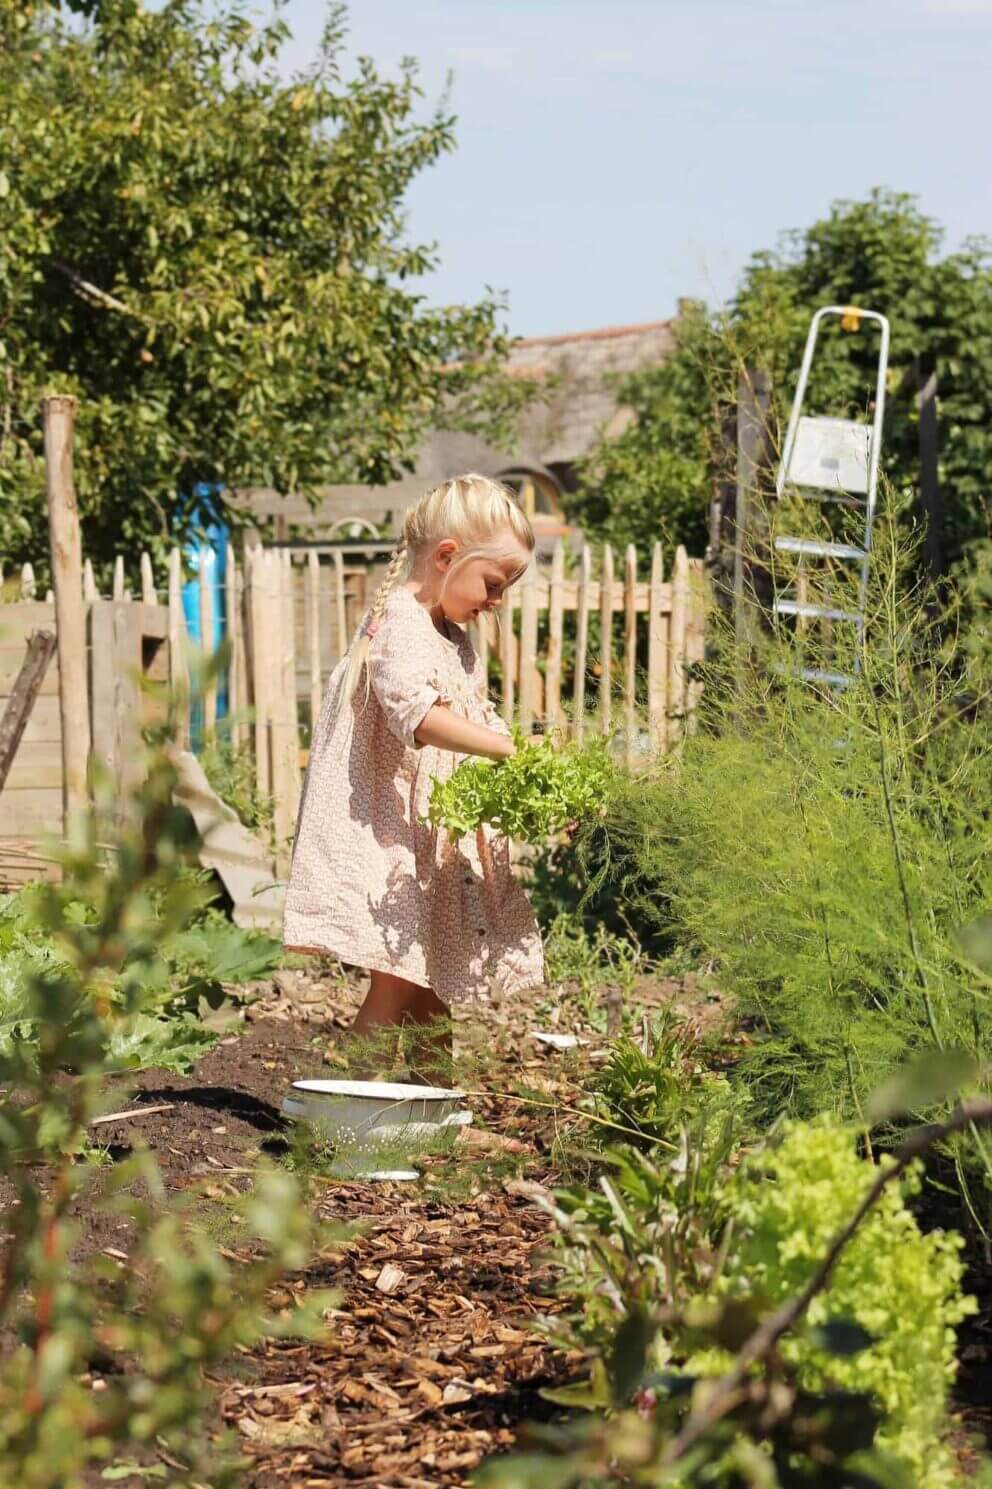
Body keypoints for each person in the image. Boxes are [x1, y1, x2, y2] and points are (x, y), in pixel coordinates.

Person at [283, 473, 545, 1104]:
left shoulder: (453, 639)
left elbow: (474, 720)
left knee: (429, 982)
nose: (495, 602)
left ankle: (435, 1118)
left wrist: (532, 771)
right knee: (397, 982)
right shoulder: (398, 622)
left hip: (419, 833)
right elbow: (419, 718)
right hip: (380, 831)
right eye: (493, 584)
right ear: (448, 556)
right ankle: (342, 1120)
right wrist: (512, 750)